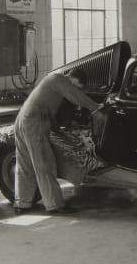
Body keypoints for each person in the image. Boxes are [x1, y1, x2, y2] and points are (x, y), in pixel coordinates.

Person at [13, 67, 100, 215]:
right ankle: (55, 205)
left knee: (26, 165)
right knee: (45, 163)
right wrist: (97, 107)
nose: (75, 89)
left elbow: (49, 108)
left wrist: (58, 128)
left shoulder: (51, 82)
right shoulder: (58, 79)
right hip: (34, 123)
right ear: (72, 78)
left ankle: (23, 203)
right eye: (76, 86)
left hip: (22, 120)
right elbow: (75, 96)